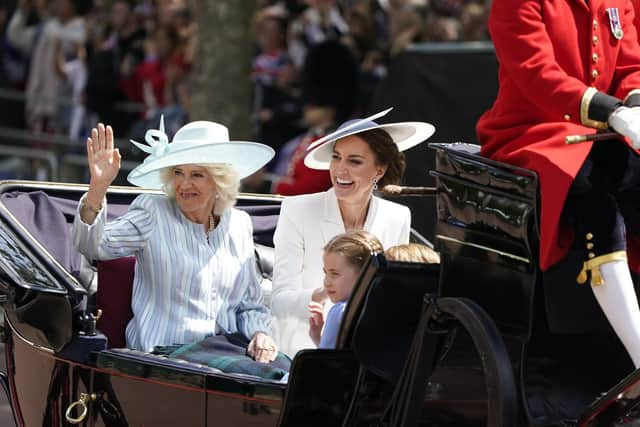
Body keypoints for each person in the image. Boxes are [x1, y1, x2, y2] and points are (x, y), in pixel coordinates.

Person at [476, 0, 640, 374]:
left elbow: (631, 64)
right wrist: (612, 112)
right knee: (590, 190)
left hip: (604, 129)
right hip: (530, 130)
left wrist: (636, 104)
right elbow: (535, 71)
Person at [72, 118, 279, 363]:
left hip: (225, 351)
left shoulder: (239, 224)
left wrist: (260, 333)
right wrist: (98, 187)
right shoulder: (153, 211)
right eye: (178, 172)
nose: (184, 183)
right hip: (164, 356)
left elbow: (249, 305)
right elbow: (93, 245)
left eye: (197, 175)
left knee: (287, 372)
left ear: (219, 181)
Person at [272, 107, 435, 356]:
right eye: (336, 157)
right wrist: (323, 294)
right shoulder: (297, 209)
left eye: (354, 161)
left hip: (364, 348)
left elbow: (392, 293)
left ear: (379, 171)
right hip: (300, 346)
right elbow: (279, 300)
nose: (340, 170)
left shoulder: (397, 216)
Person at [308, 230, 384, 349]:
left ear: (363, 275)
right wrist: (319, 339)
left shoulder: (339, 312)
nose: (326, 282)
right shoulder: (382, 309)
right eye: (326, 273)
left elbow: (326, 365)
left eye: (335, 274)